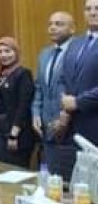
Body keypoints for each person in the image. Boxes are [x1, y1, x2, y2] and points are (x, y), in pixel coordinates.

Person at [32, 12, 74, 177]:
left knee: (69, 182)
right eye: (50, 24)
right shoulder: (45, 54)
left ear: (72, 29)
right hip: (46, 128)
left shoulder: (77, 52)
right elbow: (39, 87)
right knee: (50, 179)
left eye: (59, 24)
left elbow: (77, 89)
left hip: (70, 127)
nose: (53, 28)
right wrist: (36, 113)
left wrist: (65, 116)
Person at [60, 0, 98, 174]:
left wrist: (78, 102)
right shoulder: (75, 44)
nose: (93, 12)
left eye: (97, 8)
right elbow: (64, 78)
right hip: (73, 127)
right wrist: (65, 106)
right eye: (88, 9)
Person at [0, 37, 35, 167]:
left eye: (8, 51)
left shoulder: (23, 74)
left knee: (16, 170)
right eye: (0, 52)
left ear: (16, 52)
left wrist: (14, 134)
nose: (3, 55)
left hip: (16, 131)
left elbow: (23, 106)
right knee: (3, 168)